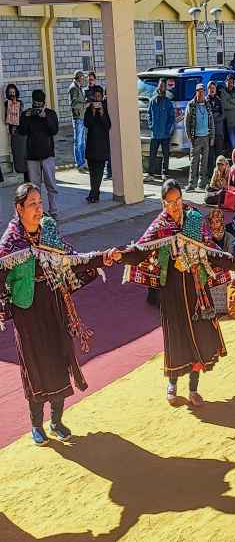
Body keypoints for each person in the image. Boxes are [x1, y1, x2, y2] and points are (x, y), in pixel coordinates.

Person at [0, 184, 116, 445]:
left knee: (59, 357)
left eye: (40, 203)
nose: (39, 209)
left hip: (53, 305)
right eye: (32, 204)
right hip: (27, 313)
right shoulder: (10, 242)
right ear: (19, 209)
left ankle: (57, 420)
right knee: (35, 365)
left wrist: (101, 258)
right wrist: (5, 305)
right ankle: (36, 424)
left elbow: (72, 258)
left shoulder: (48, 233)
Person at [120, 179, 235, 406]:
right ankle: (173, 384)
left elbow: (211, 251)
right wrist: (121, 255)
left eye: (178, 200)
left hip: (197, 289)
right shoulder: (160, 226)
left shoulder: (195, 221)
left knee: (199, 334)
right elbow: (140, 251)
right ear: (163, 204)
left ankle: (193, 390)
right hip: (172, 292)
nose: (176, 206)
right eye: (170, 203)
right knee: (176, 336)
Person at [18, 89, 59, 219]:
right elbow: (22, 131)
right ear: (32, 102)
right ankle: (38, 213)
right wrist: (26, 117)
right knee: (35, 188)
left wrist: (45, 117)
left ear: (44, 103)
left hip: (47, 155)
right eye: (35, 104)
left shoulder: (50, 114)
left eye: (40, 104)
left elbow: (54, 130)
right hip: (32, 156)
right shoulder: (27, 114)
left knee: (51, 185)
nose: (37, 106)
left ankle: (54, 210)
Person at [83, 86, 111, 204]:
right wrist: (93, 113)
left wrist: (102, 113)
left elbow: (108, 125)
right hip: (91, 146)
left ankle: (93, 193)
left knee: (99, 172)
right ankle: (95, 192)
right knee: (92, 172)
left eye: (99, 96)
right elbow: (87, 124)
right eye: (95, 96)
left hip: (102, 146)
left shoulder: (105, 108)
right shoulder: (89, 109)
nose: (97, 99)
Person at [185, 83, 214, 192]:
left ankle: (201, 183)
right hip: (195, 137)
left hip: (206, 136)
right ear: (196, 92)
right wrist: (189, 136)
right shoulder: (191, 105)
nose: (201, 93)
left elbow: (211, 121)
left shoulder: (207, 104)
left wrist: (212, 136)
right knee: (194, 161)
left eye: (202, 91)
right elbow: (186, 122)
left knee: (204, 161)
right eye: (199, 91)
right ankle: (191, 183)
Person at [147, 78, 175, 179]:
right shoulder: (152, 101)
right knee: (152, 154)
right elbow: (149, 114)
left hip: (165, 134)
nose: (161, 87)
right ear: (158, 86)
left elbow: (172, 117)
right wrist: (151, 125)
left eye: (163, 85)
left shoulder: (168, 102)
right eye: (160, 85)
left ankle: (165, 173)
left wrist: (167, 129)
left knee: (166, 154)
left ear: (165, 87)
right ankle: (151, 174)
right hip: (154, 133)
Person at [206, 81, 226, 180]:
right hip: (209, 133)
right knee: (210, 155)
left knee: (219, 154)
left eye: (213, 88)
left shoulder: (219, 100)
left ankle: (220, 175)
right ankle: (210, 175)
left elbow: (223, 115)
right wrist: (212, 118)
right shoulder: (205, 101)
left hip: (218, 132)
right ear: (208, 89)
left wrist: (215, 118)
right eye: (210, 88)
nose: (212, 90)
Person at [68, 70, 87, 171]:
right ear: (79, 77)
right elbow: (74, 104)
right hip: (78, 117)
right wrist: (85, 104)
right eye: (82, 77)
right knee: (78, 141)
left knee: (82, 141)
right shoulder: (73, 88)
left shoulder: (79, 87)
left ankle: (83, 162)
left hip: (82, 117)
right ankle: (79, 163)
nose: (83, 79)